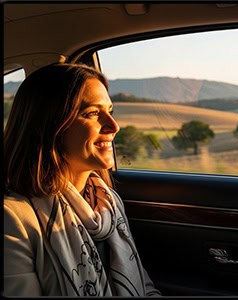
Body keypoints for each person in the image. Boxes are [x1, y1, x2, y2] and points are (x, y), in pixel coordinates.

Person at [3, 63, 161, 297]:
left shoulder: (108, 202)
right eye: (92, 113)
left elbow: (145, 288)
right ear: (50, 126)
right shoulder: (13, 218)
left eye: (110, 111)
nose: (113, 126)